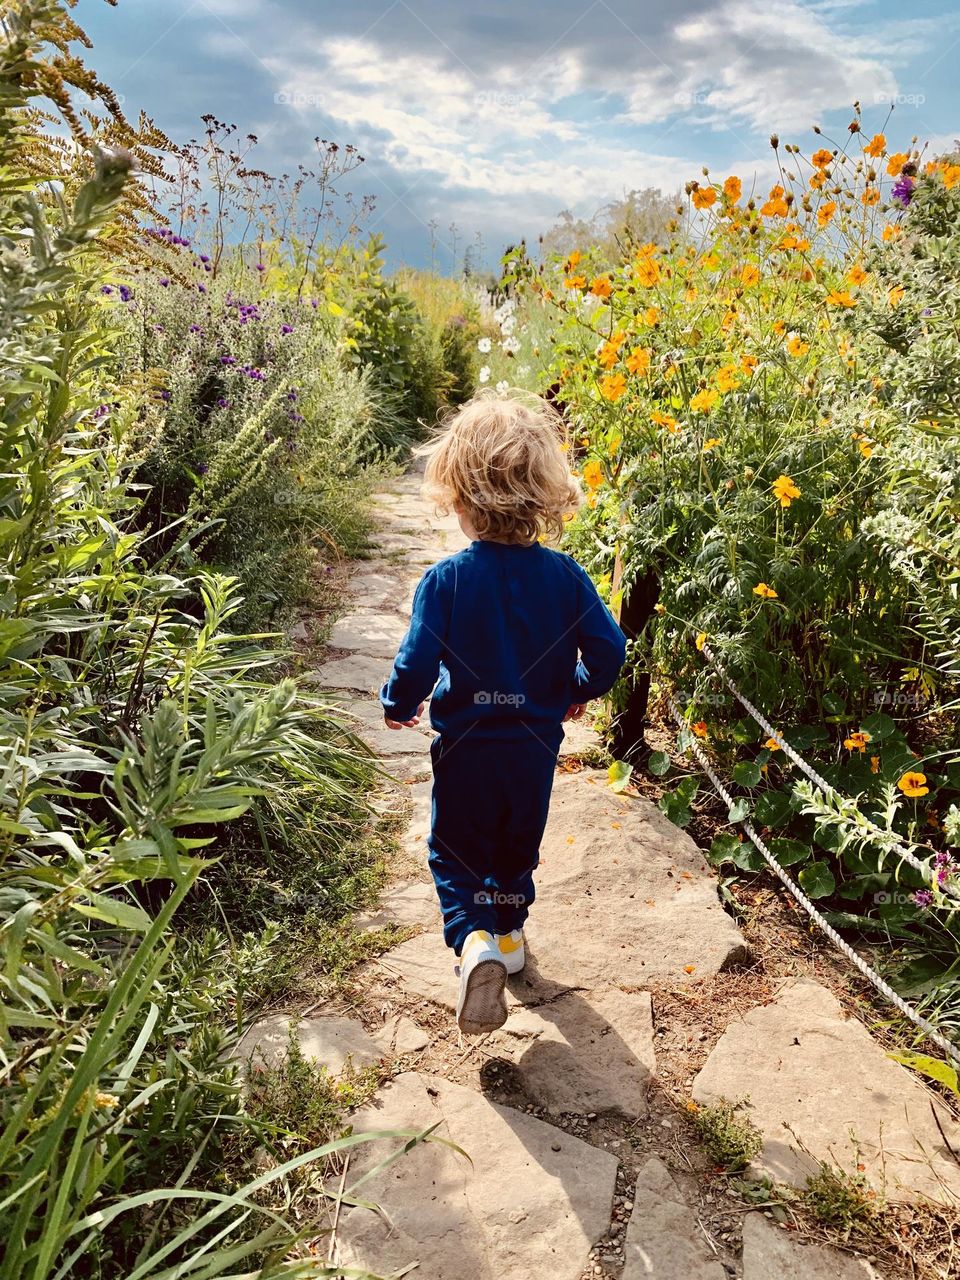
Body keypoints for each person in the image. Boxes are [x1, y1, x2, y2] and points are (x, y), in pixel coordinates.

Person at [380, 390, 626, 1034]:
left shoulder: (446, 582)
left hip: (465, 751)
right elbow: (609, 651)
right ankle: (510, 935)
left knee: (455, 850)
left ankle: (474, 945)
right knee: (517, 842)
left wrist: (398, 703)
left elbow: (416, 661)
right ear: (543, 495)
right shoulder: (566, 577)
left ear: (458, 498)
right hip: (533, 750)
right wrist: (576, 685)